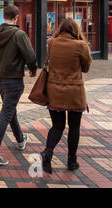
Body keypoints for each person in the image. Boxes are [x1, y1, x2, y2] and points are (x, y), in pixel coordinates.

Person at [0, 5, 37, 165]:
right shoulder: (19, 34)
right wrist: (33, 70)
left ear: (3, 16)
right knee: (6, 113)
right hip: (14, 79)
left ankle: (20, 139)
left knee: (10, 109)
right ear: (16, 18)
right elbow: (30, 56)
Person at [40, 17, 92, 174]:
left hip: (54, 91)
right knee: (74, 127)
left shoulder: (51, 43)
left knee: (57, 126)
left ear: (60, 29)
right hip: (74, 93)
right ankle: (72, 161)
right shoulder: (81, 45)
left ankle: (47, 153)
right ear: (75, 30)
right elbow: (86, 68)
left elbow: (48, 62)